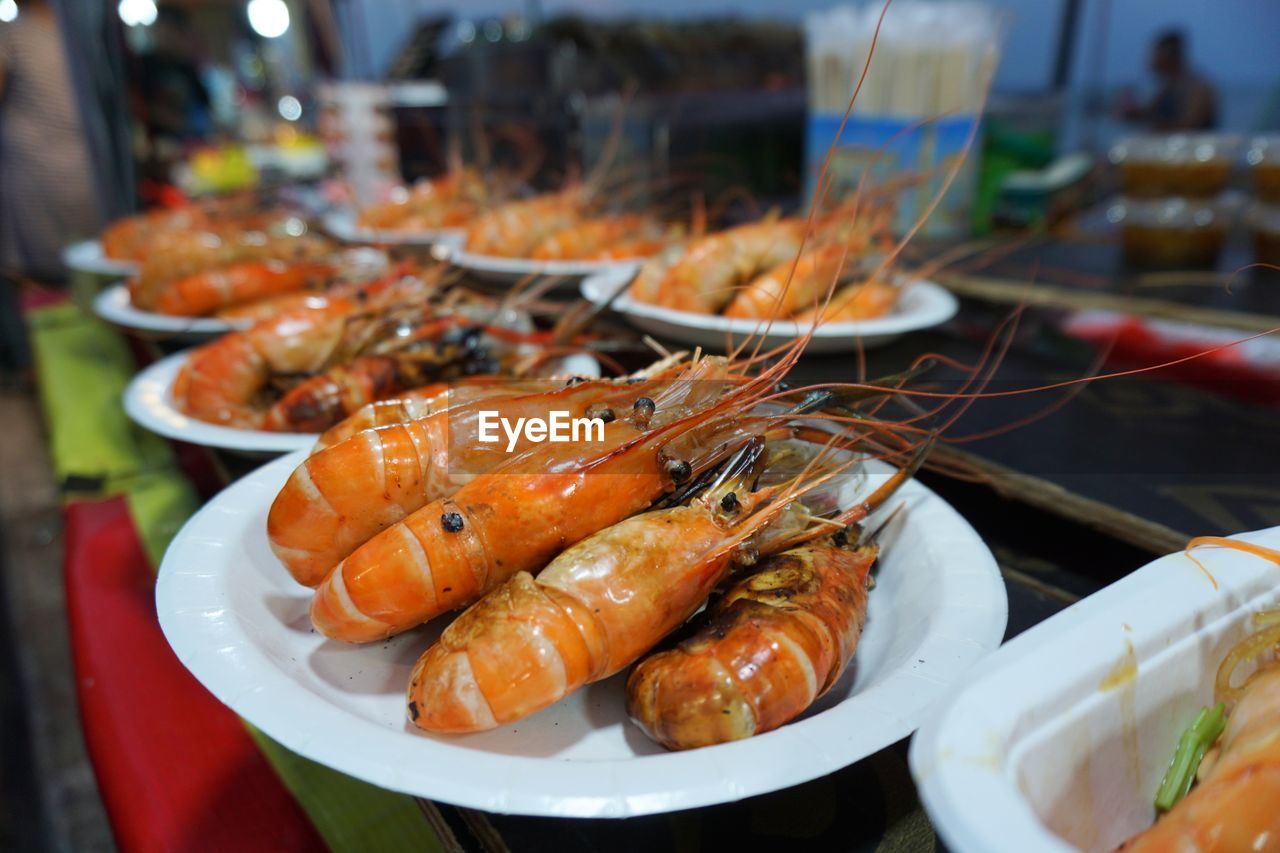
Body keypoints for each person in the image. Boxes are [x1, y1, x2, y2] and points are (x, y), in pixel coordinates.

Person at [0, 0, 102, 372]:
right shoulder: (25, 33)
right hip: (60, 170)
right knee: (58, 273)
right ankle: (54, 365)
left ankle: (45, 367)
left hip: (49, 173)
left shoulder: (20, 32)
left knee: (47, 274)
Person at [1124, 29, 1218, 131]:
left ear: (1169, 56)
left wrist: (1157, 127)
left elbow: (1190, 125)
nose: (1151, 60)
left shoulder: (1198, 87)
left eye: (1156, 54)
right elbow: (1148, 112)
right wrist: (1128, 112)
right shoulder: (1169, 87)